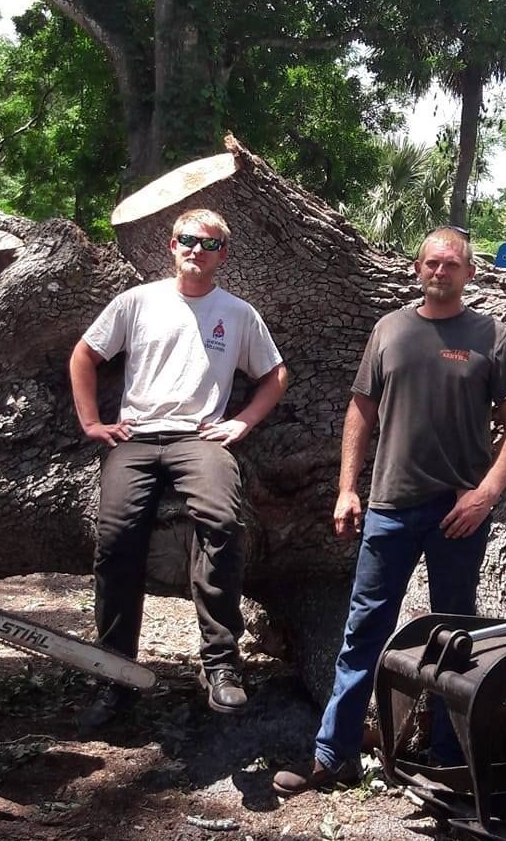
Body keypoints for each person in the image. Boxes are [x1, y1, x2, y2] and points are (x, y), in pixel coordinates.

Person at [272, 227, 506, 796]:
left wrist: (485, 493)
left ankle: (445, 760)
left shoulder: (492, 336)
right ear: (417, 270)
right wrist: (347, 488)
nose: (441, 271)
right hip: (390, 507)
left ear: (469, 273)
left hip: (458, 514)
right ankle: (332, 755)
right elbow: (360, 412)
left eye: (452, 264)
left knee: (452, 639)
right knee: (362, 633)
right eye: (432, 263)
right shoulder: (389, 330)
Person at [70, 208, 288, 723]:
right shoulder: (137, 302)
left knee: (224, 523)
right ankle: (115, 672)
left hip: (199, 439)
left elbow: (276, 374)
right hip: (137, 439)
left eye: (209, 244)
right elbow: (84, 356)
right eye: (188, 240)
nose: (197, 249)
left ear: (222, 255)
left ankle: (220, 663)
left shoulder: (236, 313)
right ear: (172, 246)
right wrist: (91, 423)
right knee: (116, 537)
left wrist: (243, 423)